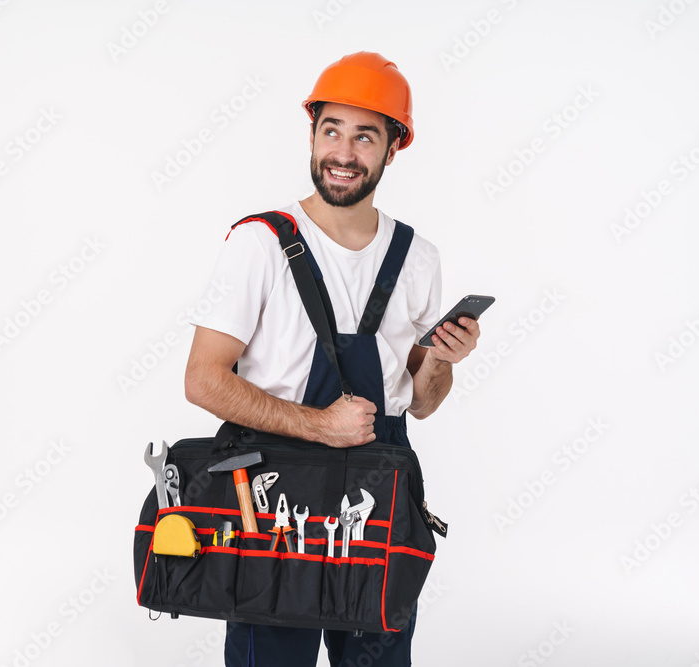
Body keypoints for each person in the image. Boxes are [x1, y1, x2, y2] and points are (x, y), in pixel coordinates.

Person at [183, 52, 480, 667]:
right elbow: (203, 380)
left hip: (378, 498)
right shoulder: (260, 243)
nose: (342, 152)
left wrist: (443, 361)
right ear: (313, 132)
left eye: (364, 135)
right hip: (272, 503)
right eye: (330, 130)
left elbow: (421, 404)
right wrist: (320, 425)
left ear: (394, 147)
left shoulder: (417, 256)